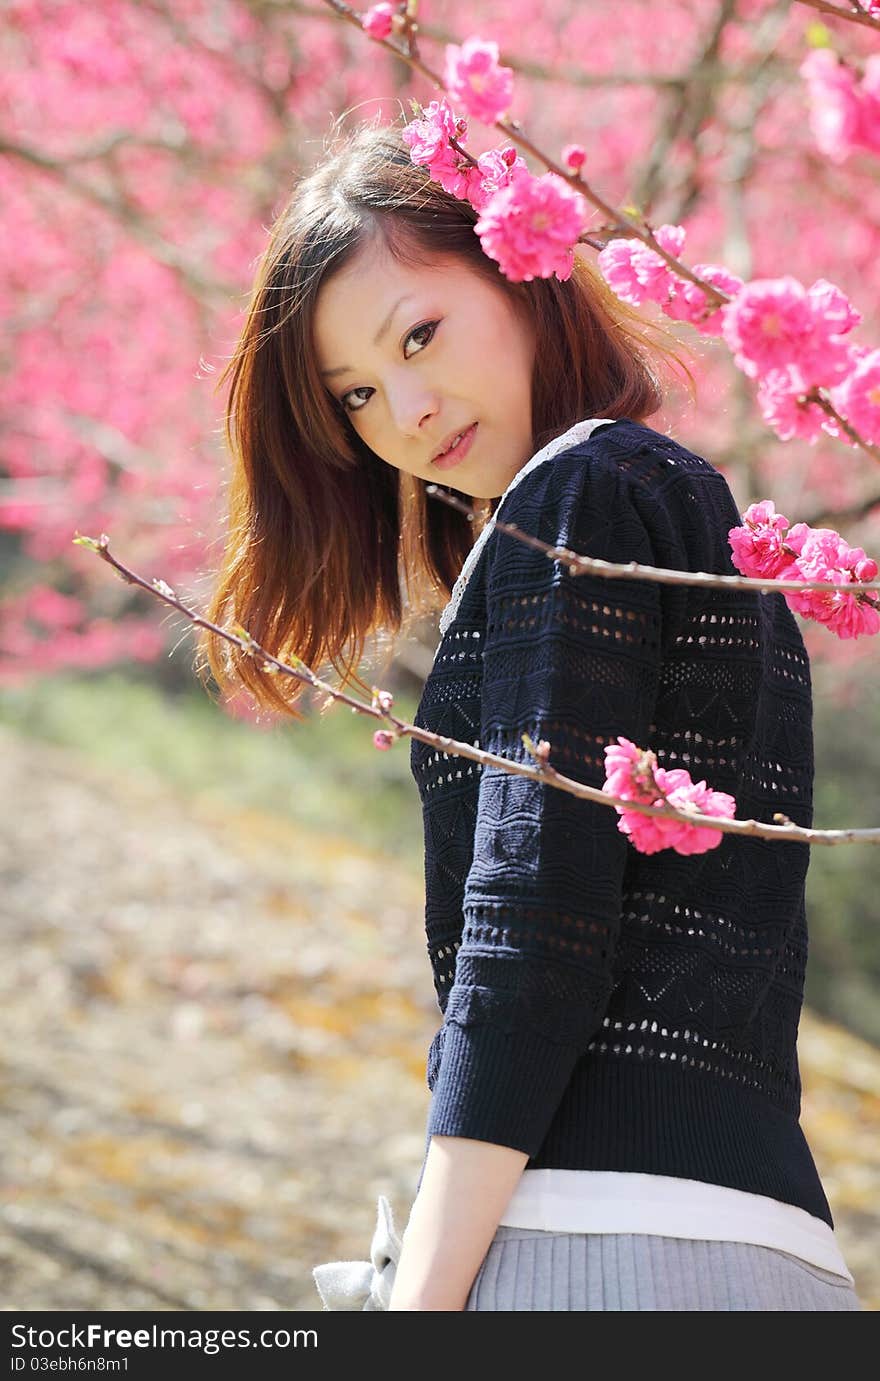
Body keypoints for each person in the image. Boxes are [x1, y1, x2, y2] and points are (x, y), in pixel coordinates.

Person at [196, 114, 862, 1312]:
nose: (404, 408)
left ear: (520, 266)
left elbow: (531, 930)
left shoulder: (578, 492)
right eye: (355, 394)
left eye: (421, 333)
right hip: (767, 1244)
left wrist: (422, 1299)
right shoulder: (679, 508)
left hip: (597, 1240)